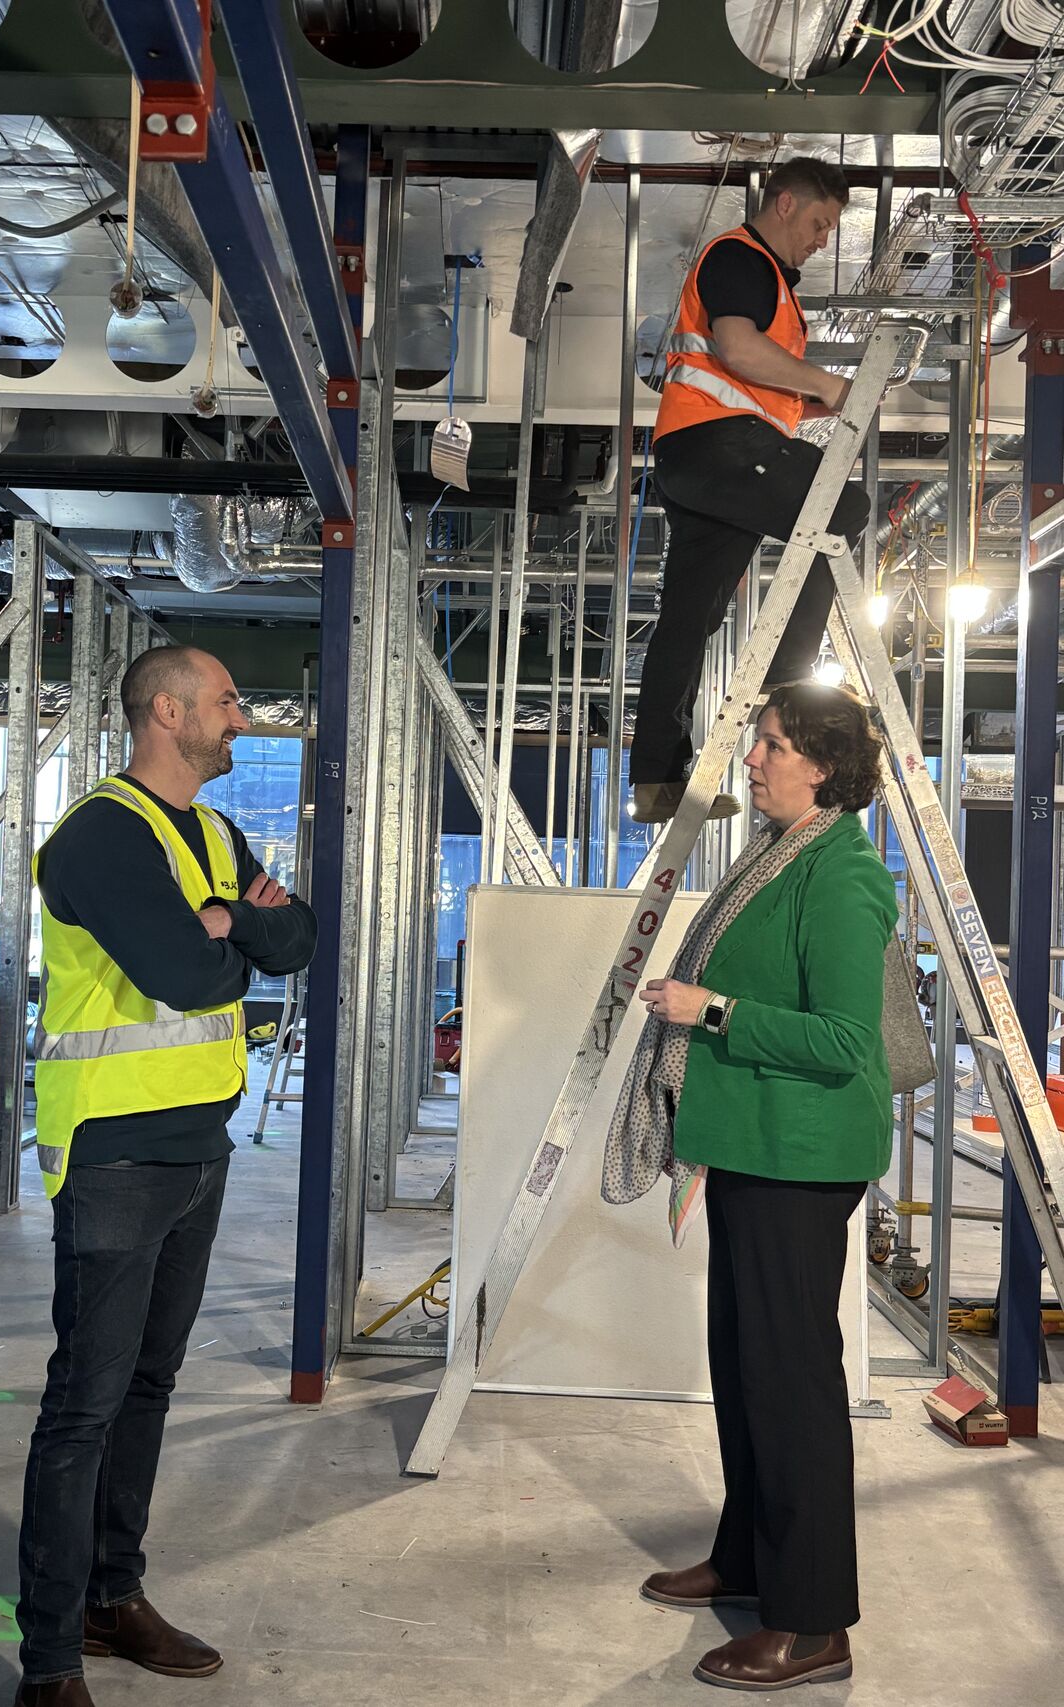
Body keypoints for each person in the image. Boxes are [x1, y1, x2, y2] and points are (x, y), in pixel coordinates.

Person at [13, 645, 317, 1706]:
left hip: (200, 1148)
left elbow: (302, 936)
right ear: (167, 710)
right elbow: (184, 975)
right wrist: (241, 937)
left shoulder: (215, 835)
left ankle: (114, 1595)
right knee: (83, 1408)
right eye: (227, 702)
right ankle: (50, 1659)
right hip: (114, 1155)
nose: (240, 718)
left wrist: (231, 920)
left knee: (148, 1386)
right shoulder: (100, 838)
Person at [603, 683, 896, 1691]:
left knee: (791, 1388)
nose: (753, 759)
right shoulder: (778, 858)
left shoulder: (843, 876)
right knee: (744, 1369)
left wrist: (711, 1009)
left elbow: (844, 1041)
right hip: (753, 1150)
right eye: (759, 743)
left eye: (771, 746)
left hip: (799, 1160)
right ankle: (746, 1560)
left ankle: (813, 1623)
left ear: (820, 765)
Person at [628, 156, 873, 822]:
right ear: (786, 204)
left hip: (708, 456)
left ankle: (658, 780)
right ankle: (785, 686)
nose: (823, 239)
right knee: (844, 504)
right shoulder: (742, 259)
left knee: (690, 618)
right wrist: (826, 384)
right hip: (721, 448)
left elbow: (757, 384)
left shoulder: (770, 283)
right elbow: (736, 349)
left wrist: (819, 405)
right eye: (821, 222)